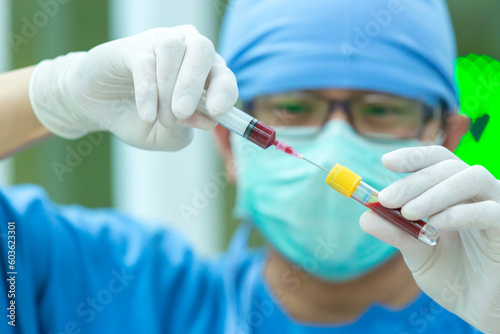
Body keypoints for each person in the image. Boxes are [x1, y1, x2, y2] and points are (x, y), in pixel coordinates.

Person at [0, 2, 499, 334]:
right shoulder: (133, 296)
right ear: (229, 142)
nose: (335, 142)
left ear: (448, 139)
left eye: (382, 110)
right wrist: (52, 96)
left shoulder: (486, 304)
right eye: (295, 108)